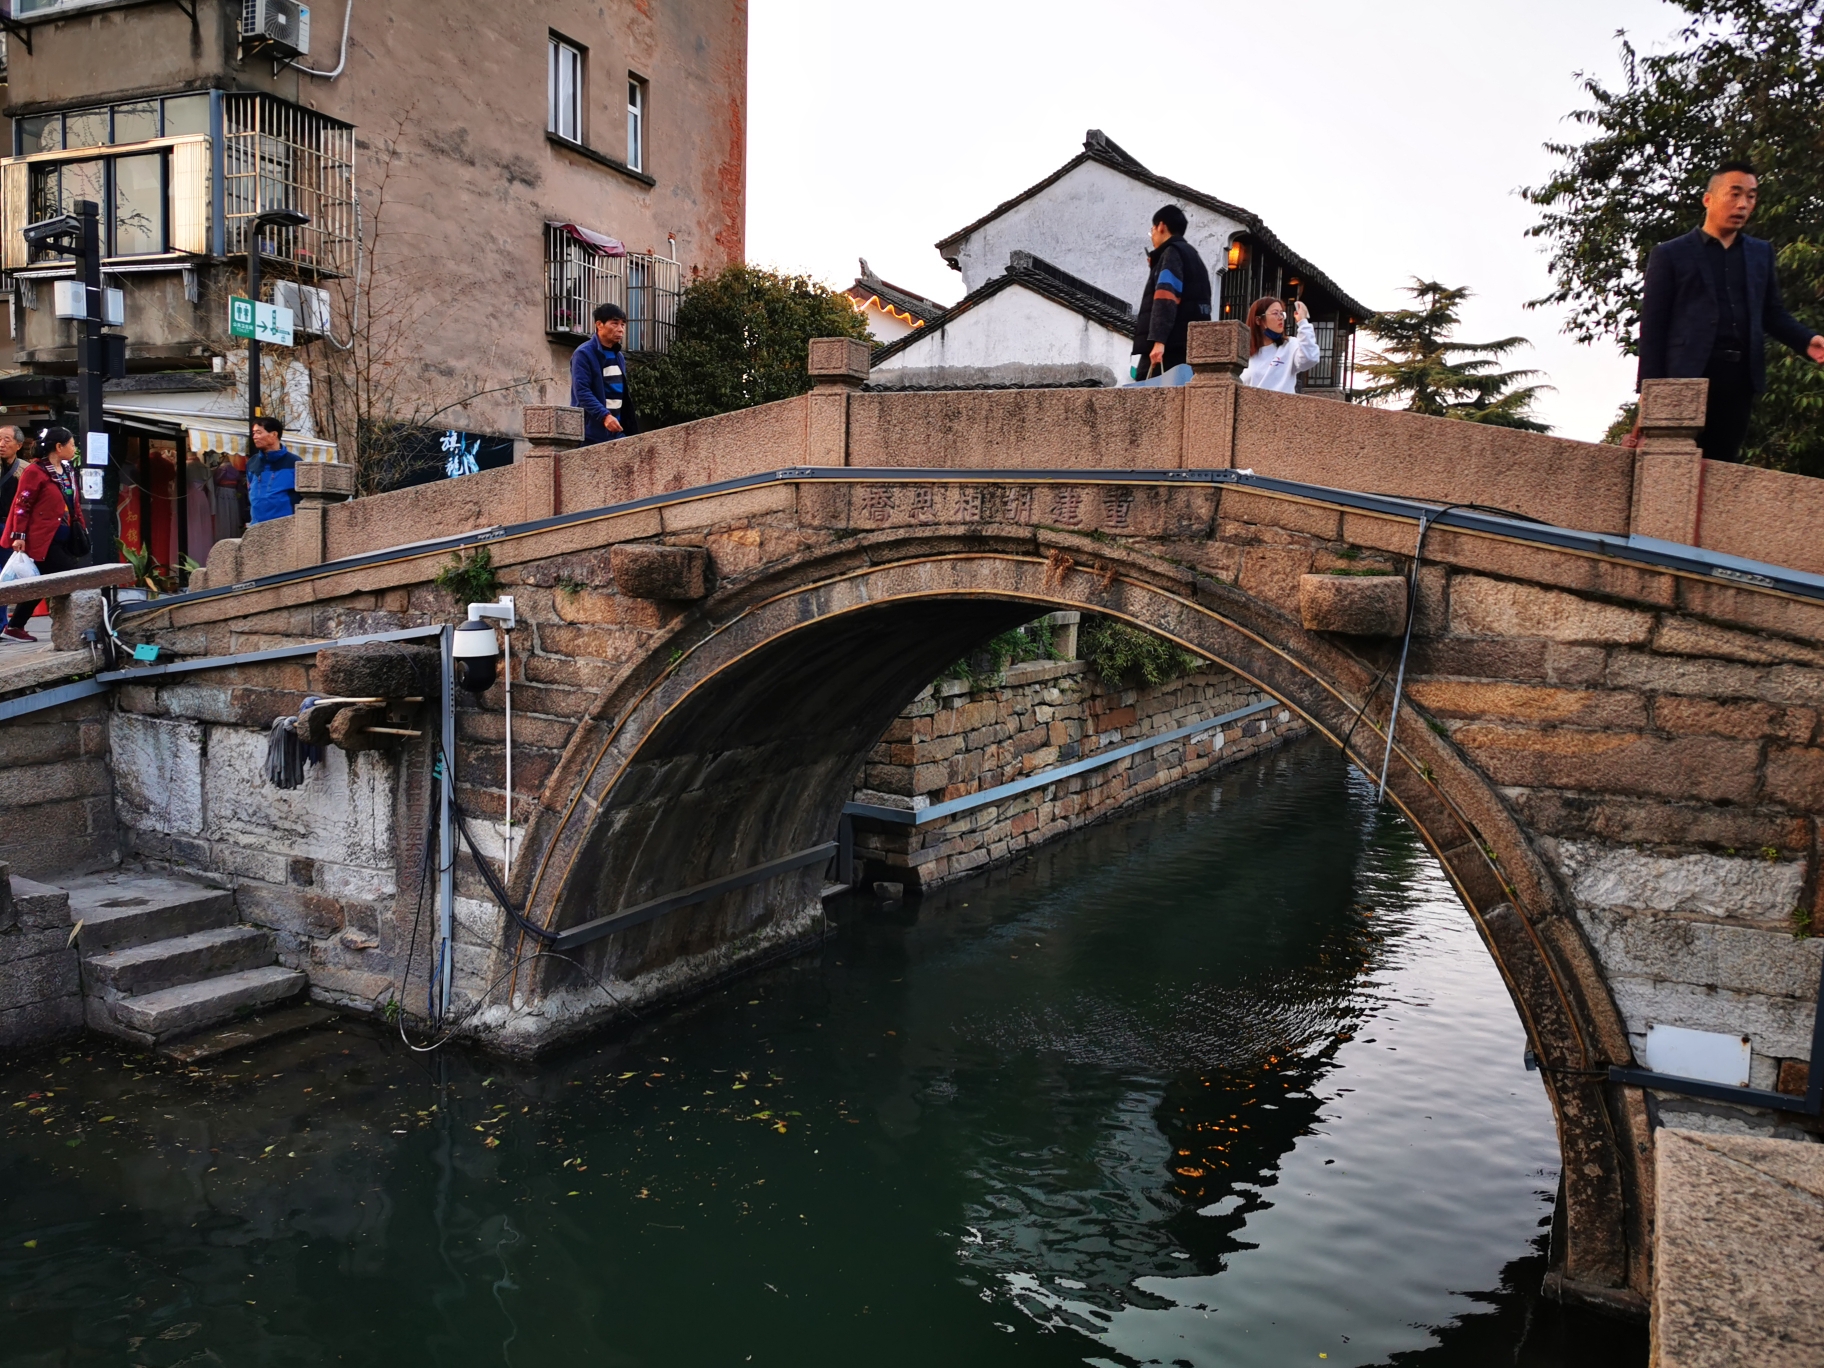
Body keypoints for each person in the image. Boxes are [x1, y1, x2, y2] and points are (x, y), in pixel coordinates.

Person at [1626, 161, 1824, 462]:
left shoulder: (1761, 253)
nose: (1743, 204)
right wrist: (1649, 393)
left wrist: (1808, 341)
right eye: (1734, 194)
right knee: (1669, 467)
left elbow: (1771, 313)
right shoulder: (1670, 254)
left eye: (1751, 196)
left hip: (1738, 378)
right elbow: (1653, 328)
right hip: (1683, 377)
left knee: (1721, 466)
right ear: (1709, 199)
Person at [2, 426, 87, 644]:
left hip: (64, 536)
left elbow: (73, 502)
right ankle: (78, 625)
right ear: (59, 447)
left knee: (42, 582)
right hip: (42, 539)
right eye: (71, 444)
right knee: (71, 575)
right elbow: (22, 505)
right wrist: (19, 535)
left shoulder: (67, 470)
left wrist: (81, 526)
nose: (74, 448)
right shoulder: (34, 471)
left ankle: (15, 626)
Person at [1131, 204, 1212, 377]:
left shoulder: (1171, 253)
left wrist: (1158, 342)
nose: (1152, 235)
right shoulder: (1193, 256)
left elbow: (1166, 298)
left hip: (1169, 347)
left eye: (1152, 229)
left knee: (1145, 396)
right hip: (1190, 346)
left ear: (1161, 226)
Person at [570, 302, 640, 444]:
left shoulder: (618, 356)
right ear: (599, 324)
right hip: (591, 433)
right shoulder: (583, 354)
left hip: (617, 431)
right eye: (615, 324)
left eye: (623, 325)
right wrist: (605, 416)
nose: (620, 329)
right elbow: (582, 392)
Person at [1240, 297, 1322, 393]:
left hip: (1284, 406)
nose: (1280, 318)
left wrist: (1303, 322)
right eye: (1275, 313)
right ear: (1258, 320)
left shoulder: (1289, 345)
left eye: (1282, 313)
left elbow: (1310, 358)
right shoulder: (1244, 352)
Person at [246, 416, 300, 524]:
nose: (255, 437)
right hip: (256, 527)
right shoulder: (252, 463)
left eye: (259, 432)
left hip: (284, 527)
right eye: (254, 433)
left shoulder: (295, 463)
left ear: (274, 434)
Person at [0, 425, 27, 521]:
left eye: (7, 441)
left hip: (13, 523)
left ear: (19, 445)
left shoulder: (26, 469)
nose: (1, 444)